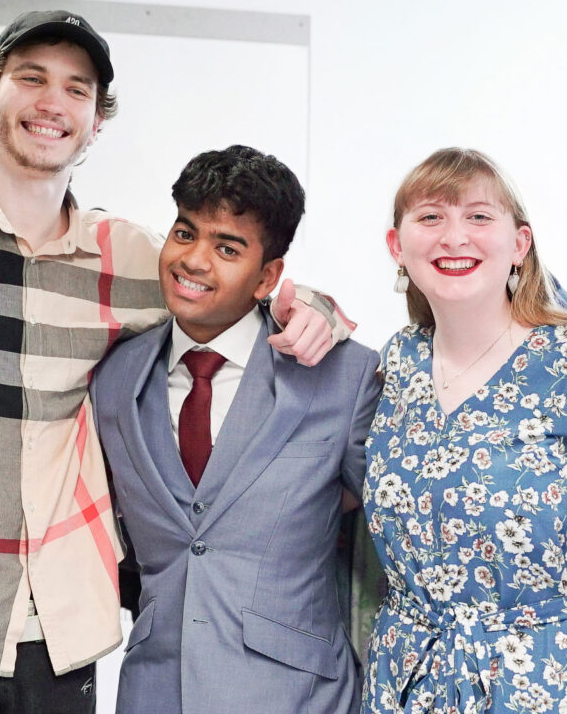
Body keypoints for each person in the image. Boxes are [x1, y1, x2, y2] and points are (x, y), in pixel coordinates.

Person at [0, 10, 350, 714]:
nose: (53, 103)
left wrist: (310, 303)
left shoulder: (135, 258)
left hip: (53, 638)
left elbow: (231, 283)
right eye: (31, 78)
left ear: (97, 120)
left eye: (77, 89)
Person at [361, 148, 567, 713]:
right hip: (407, 683)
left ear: (519, 245)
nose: (455, 237)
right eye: (431, 217)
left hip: (549, 684)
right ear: (396, 246)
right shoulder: (398, 362)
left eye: (479, 216)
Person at [90, 145, 379, 713]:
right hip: (154, 692)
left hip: (300, 697)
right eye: (184, 233)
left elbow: (395, 529)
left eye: (227, 247)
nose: (194, 260)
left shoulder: (341, 374)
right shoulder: (113, 375)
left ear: (268, 275)